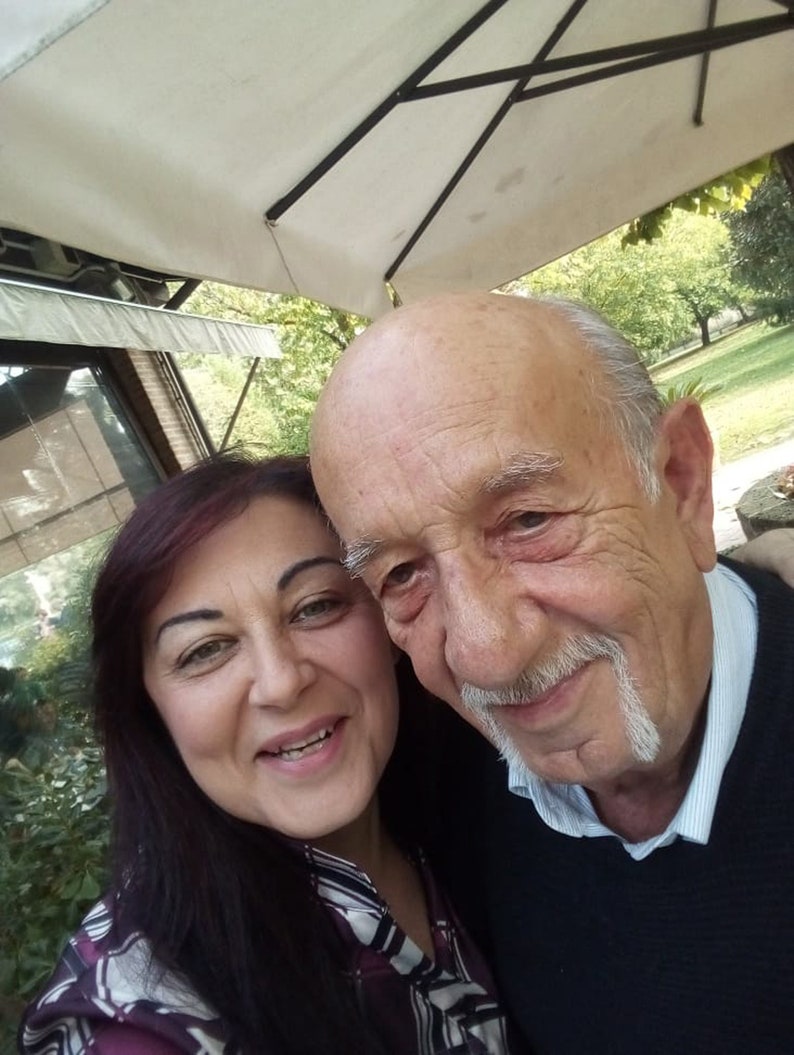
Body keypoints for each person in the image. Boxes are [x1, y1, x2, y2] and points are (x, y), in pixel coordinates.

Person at [310, 292, 794, 1055]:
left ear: (682, 481)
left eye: (528, 521)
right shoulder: (437, 796)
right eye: (402, 573)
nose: (484, 651)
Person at [20, 454, 515, 1055]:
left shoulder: (508, 792)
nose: (280, 682)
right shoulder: (137, 1014)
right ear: (151, 712)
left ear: (389, 623)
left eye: (315, 607)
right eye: (204, 650)